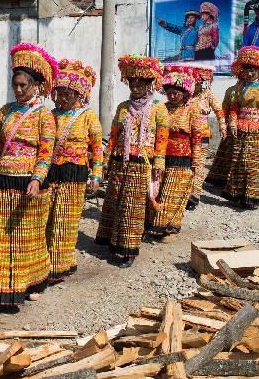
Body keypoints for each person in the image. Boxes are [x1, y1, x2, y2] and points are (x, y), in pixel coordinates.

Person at [0, 43, 57, 312]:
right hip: (5, 181)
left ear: (37, 86)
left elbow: (46, 152)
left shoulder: (45, 116)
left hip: (29, 183)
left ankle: (31, 282)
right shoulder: (5, 112)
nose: (18, 90)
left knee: (27, 236)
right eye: (15, 84)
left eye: (23, 85)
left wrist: (37, 179)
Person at [95, 55, 168, 268]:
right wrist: (107, 160)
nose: (135, 87)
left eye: (140, 83)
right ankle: (111, 240)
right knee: (115, 201)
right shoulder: (123, 107)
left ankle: (128, 249)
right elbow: (115, 135)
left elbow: (162, 137)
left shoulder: (158, 108)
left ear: (149, 84)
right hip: (120, 161)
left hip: (141, 163)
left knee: (133, 207)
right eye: (132, 82)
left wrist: (159, 163)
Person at [45, 59, 103, 283]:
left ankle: (61, 263)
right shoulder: (50, 115)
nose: (62, 97)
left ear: (80, 95)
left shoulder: (88, 117)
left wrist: (96, 175)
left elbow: (97, 149)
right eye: (59, 92)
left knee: (66, 219)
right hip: (52, 171)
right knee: (49, 217)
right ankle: (46, 260)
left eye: (68, 93)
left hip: (75, 173)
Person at [148, 66, 201, 239]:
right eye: (169, 91)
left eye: (176, 92)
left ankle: (169, 228)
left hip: (182, 159)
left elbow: (196, 137)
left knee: (174, 194)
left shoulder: (192, 109)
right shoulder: (159, 108)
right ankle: (154, 224)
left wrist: (196, 162)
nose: (172, 95)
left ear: (185, 93)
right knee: (158, 191)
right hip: (161, 157)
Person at [223, 46, 259, 209]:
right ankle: (238, 195)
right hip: (240, 127)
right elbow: (234, 107)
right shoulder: (239, 87)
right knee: (238, 161)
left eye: (252, 70)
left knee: (250, 163)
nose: (248, 74)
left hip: (258, 129)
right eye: (246, 70)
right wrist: (232, 123)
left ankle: (253, 195)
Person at [187, 64, 225, 208]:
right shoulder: (185, 94)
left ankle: (194, 195)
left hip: (202, 134)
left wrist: (222, 125)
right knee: (186, 164)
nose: (195, 82)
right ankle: (184, 193)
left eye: (198, 80)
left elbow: (219, 110)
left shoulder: (207, 93)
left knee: (198, 164)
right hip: (186, 135)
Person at [203, 76, 241, 189]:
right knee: (227, 152)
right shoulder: (231, 90)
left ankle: (235, 181)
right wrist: (223, 125)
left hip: (249, 126)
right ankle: (221, 178)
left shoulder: (256, 89)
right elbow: (224, 109)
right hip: (231, 126)